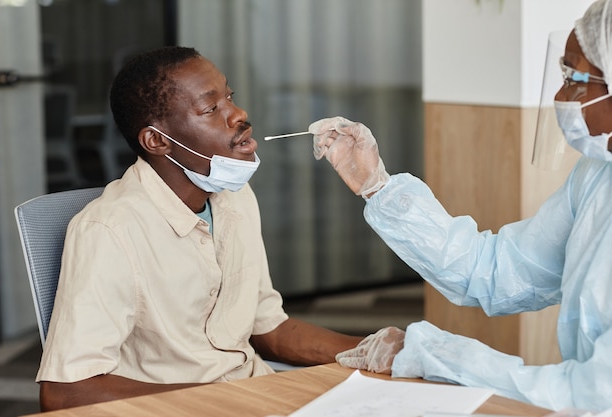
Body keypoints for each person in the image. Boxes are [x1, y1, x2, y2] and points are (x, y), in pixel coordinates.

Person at [36, 46, 405, 411]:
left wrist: (371, 350)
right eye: (211, 109)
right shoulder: (109, 231)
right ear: (157, 140)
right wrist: (226, 401)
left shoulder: (235, 197)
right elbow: (66, 392)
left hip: (256, 395)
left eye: (230, 97)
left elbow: (268, 328)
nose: (239, 114)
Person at [310, 0, 612, 412]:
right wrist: (376, 186)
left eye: (576, 78)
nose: (562, 96)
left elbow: (589, 396)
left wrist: (429, 355)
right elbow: (496, 270)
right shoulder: (597, 176)